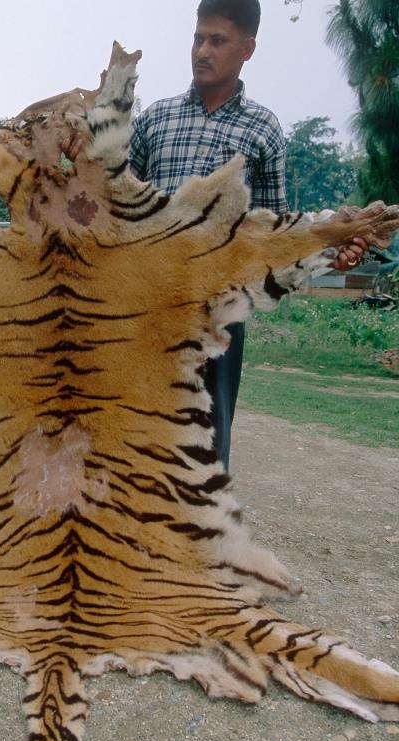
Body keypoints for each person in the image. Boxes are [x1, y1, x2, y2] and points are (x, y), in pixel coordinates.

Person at [129, 0, 365, 469]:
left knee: (207, 436)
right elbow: (119, 207)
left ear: (247, 48)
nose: (202, 50)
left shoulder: (263, 129)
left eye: (217, 40)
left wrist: (329, 247)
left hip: (220, 305)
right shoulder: (155, 119)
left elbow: (273, 233)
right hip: (148, 301)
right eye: (198, 38)